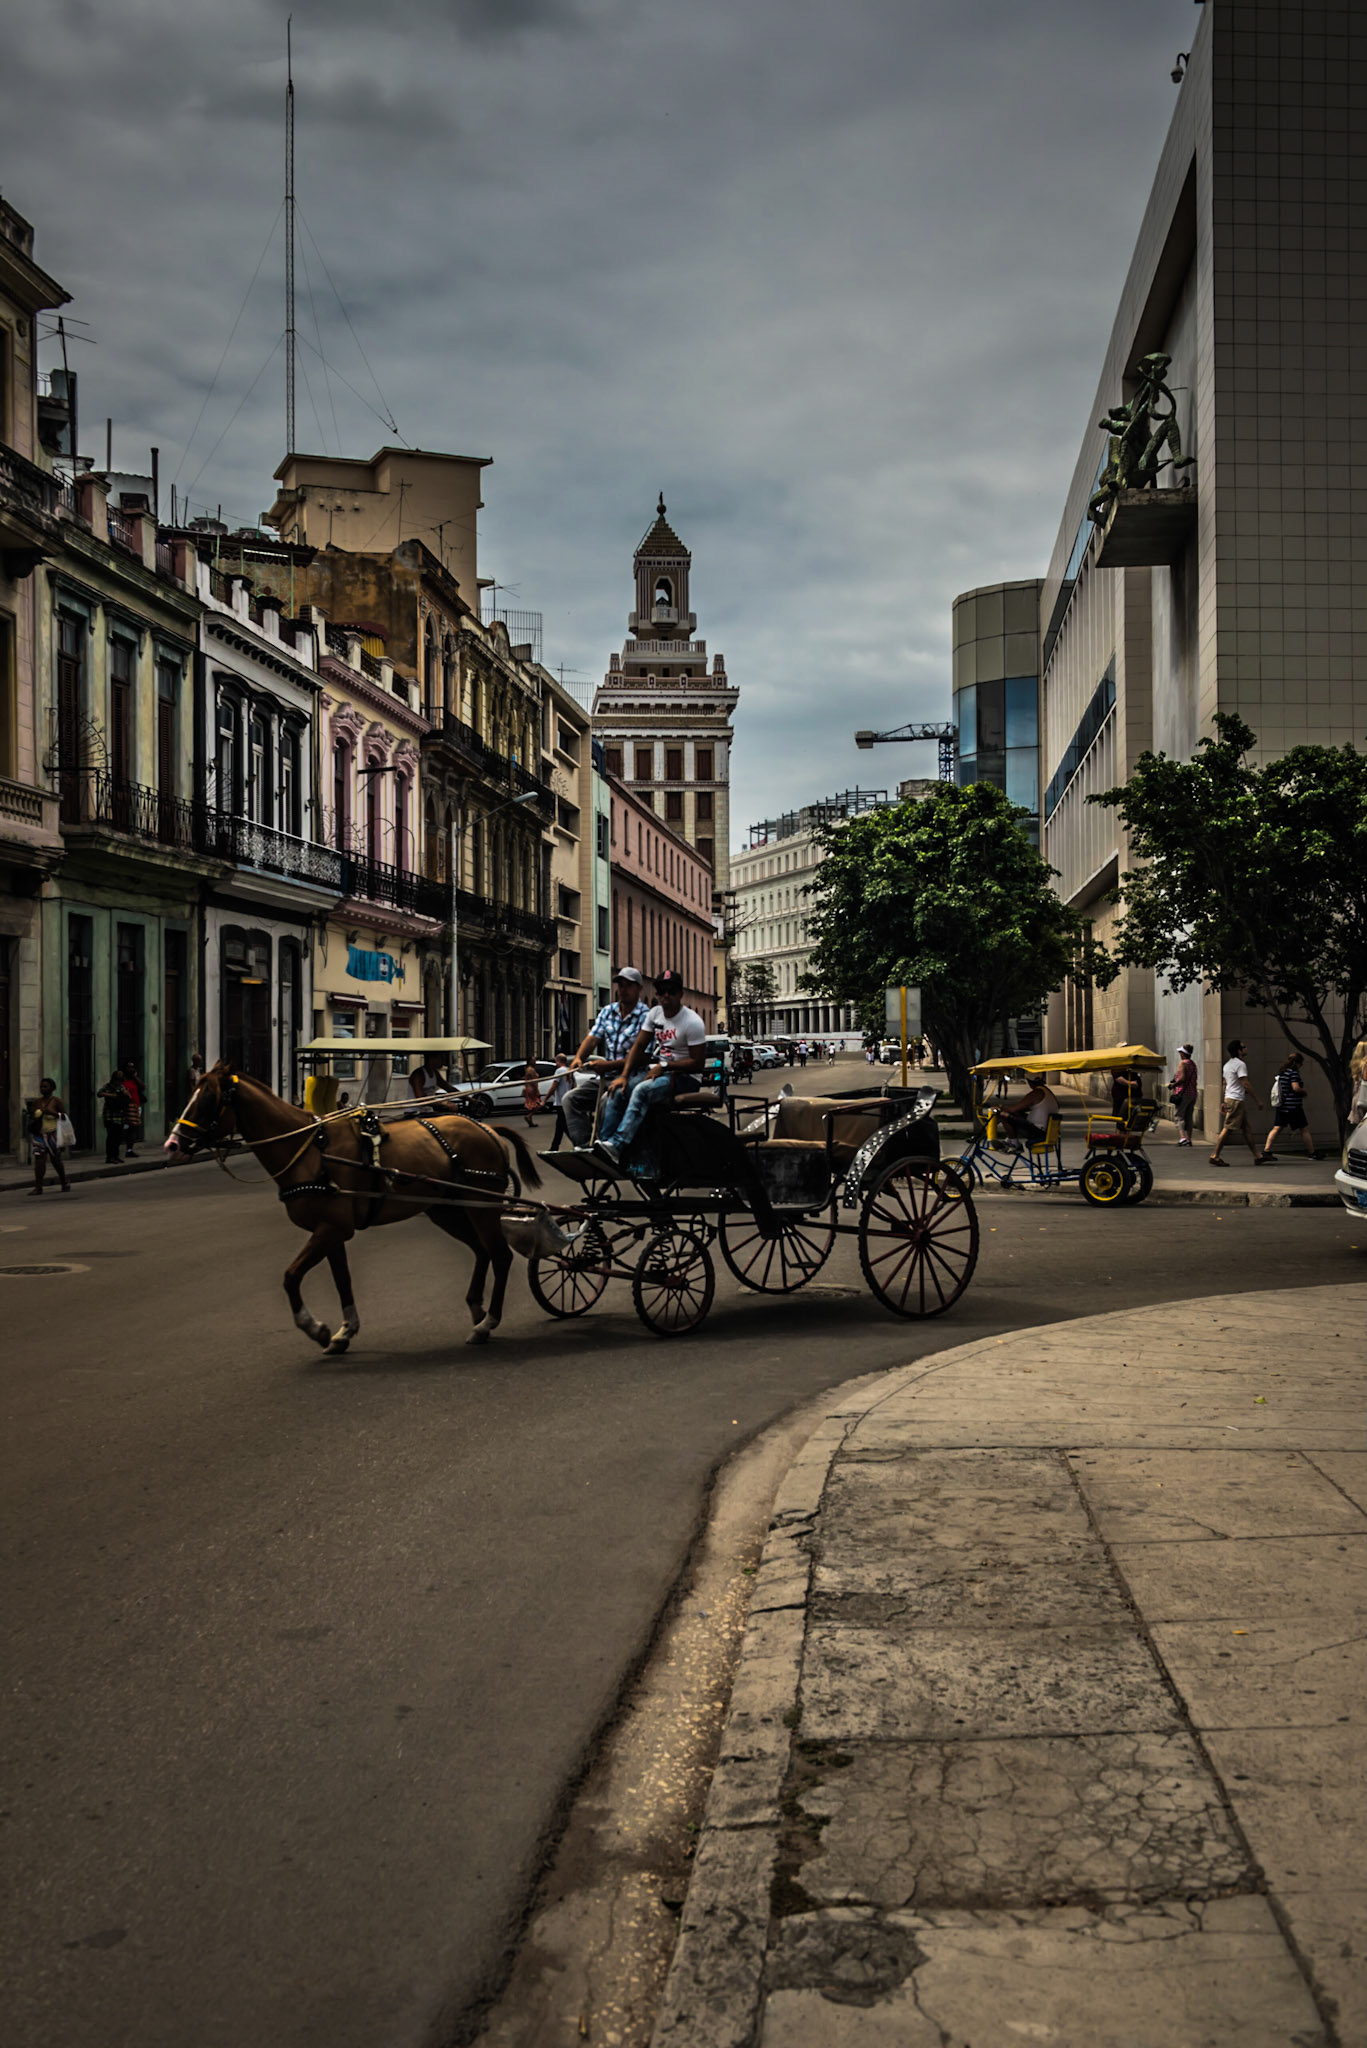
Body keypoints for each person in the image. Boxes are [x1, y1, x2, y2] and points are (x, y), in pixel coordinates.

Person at [595, 968, 707, 1166]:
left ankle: (618, 1144)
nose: (666, 995)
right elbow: (638, 1046)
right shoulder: (655, 1013)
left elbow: (697, 1063)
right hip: (660, 1072)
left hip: (685, 1077)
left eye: (671, 991)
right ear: (656, 994)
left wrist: (664, 1066)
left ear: (681, 994)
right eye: (661, 990)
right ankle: (604, 1145)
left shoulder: (692, 1022)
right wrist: (623, 1075)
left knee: (642, 1090)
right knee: (617, 1090)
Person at [564, 969, 651, 1148]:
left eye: (629, 986)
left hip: (634, 1075)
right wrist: (579, 1058)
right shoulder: (607, 1012)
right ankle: (584, 1146)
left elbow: (644, 1057)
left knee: (607, 1099)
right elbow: (592, 1038)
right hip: (607, 1076)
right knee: (570, 1099)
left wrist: (608, 1065)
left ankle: (606, 1145)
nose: (623, 989)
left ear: (639, 988)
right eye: (620, 985)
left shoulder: (646, 1015)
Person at [1209, 1037, 1267, 1166]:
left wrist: (1223, 1101)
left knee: (1246, 1128)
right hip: (1236, 1100)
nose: (1246, 1048)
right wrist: (1257, 1100)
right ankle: (1215, 1155)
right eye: (1243, 1046)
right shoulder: (1240, 1064)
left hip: (1231, 1098)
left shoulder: (1228, 1065)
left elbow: (1225, 1083)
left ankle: (1257, 1156)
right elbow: (1245, 1083)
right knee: (1228, 1128)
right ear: (1239, 1050)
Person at [1261, 1052, 1319, 1161]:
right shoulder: (1293, 1073)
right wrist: (1303, 1092)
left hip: (1282, 1106)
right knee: (1304, 1129)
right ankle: (1312, 1153)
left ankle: (1266, 1151)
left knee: (1277, 1128)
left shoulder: (1282, 1073)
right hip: (1294, 1106)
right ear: (1297, 1063)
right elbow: (1295, 1087)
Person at [27, 1078, 72, 1196]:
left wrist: (52, 1112)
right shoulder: (37, 1101)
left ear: (52, 1088)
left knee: (55, 1160)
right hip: (39, 1135)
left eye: (45, 1086)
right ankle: (38, 1187)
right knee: (39, 1160)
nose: (43, 1089)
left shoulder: (56, 1101)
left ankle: (64, 1181)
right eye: (41, 1087)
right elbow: (33, 1115)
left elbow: (64, 1117)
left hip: (53, 1134)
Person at [997, 1076, 1060, 1150]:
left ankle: (1014, 1144)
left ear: (1030, 1082)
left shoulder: (1036, 1092)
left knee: (1004, 1115)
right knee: (1016, 1114)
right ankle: (1009, 1139)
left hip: (1037, 1131)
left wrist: (1000, 1108)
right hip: (1048, 1132)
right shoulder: (1048, 1092)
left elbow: (1013, 1109)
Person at [98, 1068, 132, 1165]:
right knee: (111, 1137)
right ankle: (110, 1157)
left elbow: (129, 1097)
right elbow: (99, 1093)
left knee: (118, 1138)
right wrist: (112, 1095)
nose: (118, 1082)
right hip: (110, 1116)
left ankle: (116, 1156)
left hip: (120, 1116)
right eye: (117, 1080)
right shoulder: (108, 1087)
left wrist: (126, 1094)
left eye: (120, 1080)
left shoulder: (121, 1087)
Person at [1170, 1044, 1198, 1145]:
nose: (1179, 1054)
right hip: (1193, 1093)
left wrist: (1173, 1085)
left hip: (1183, 1093)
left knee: (1179, 1116)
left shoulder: (1183, 1063)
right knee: (1189, 1117)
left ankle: (1182, 1138)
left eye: (1180, 1052)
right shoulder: (1193, 1063)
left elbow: (1182, 1078)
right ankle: (1189, 1139)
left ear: (1183, 1054)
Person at [121, 1059, 145, 1157]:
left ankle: (129, 1149)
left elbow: (143, 1087)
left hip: (135, 1107)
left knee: (133, 1128)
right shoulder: (122, 1080)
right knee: (124, 1128)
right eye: (128, 1067)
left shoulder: (134, 1081)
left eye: (132, 1067)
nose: (130, 1069)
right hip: (125, 1108)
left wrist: (135, 1077)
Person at [522, 1058, 543, 1127]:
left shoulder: (527, 1069)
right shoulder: (531, 1070)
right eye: (534, 1060)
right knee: (538, 1103)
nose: (535, 1062)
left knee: (531, 1105)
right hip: (532, 1088)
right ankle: (529, 1116)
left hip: (528, 1088)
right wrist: (537, 1091)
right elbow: (534, 1081)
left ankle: (530, 1121)